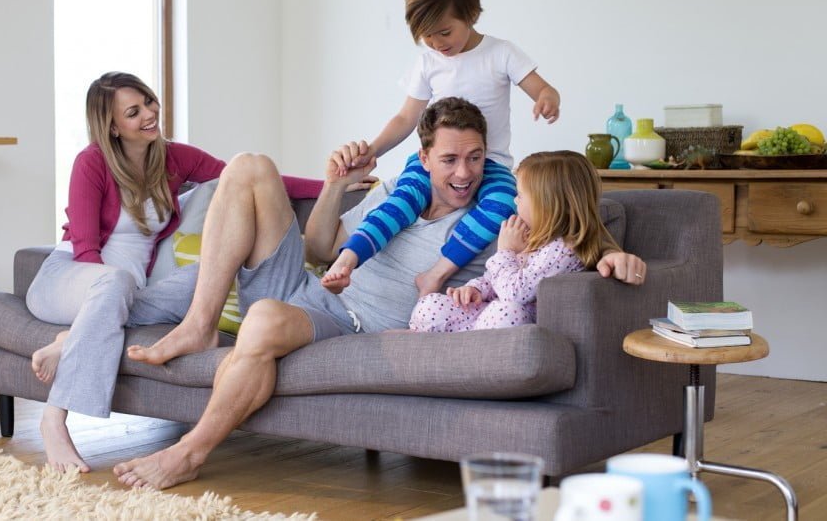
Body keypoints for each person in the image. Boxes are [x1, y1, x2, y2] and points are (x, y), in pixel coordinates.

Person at [113, 97, 644, 490]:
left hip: (351, 322)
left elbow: (569, 225)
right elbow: (321, 246)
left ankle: (188, 452)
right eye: (451, 159)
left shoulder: (494, 218)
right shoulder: (396, 195)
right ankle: (201, 323)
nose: (465, 173)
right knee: (249, 165)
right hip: (310, 285)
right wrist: (337, 185)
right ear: (424, 156)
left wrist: (612, 255)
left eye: (477, 158)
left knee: (264, 324)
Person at [23, 71, 327, 473]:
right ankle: (54, 419)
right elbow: (85, 248)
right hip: (70, 279)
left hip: (133, 294)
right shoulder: (91, 163)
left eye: (149, 102)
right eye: (134, 112)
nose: (149, 114)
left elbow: (247, 178)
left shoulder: (173, 156)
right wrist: (96, 309)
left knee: (213, 272)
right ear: (112, 127)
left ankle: (73, 338)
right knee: (113, 282)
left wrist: (333, 185)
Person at [325, 0, 561, 298]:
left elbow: (542, 87)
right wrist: (372, 150)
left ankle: (435, 275)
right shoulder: (428, 63)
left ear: (472, 15)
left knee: (500, 205)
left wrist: (547, 98)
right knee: (402, 200)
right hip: (439, 161)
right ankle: (348, 259)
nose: (436, 42)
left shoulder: (501, 53)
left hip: (489, 163)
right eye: (426, 35)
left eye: (445, 32)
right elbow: (406, 118)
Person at [409, 151, 619, 332]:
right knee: (431, 304)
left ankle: (461, 348)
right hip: (486, 316)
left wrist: (505, 251)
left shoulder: (563, 250)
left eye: (520, 195)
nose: (515, 201)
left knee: (507, 310)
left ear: (546, 206)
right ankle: (429, 337)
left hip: (511, 321)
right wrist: (476, 289)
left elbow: (515, 293)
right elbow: (495, 279)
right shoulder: (531, 235)